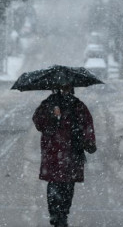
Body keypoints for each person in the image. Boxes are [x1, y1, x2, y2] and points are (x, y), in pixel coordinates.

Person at [32, 84, 97, 227]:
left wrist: (89, 141)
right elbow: (38, 122)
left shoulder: (77, 105)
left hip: (71, 152)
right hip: (55, 152)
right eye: (62, 88)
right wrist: (51, 115)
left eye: (67, 88)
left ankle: (62, 213)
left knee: (67, 185)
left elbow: (87, 124)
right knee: (56, 183)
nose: (64, 91)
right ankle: (56, 214)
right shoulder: (48, 104)